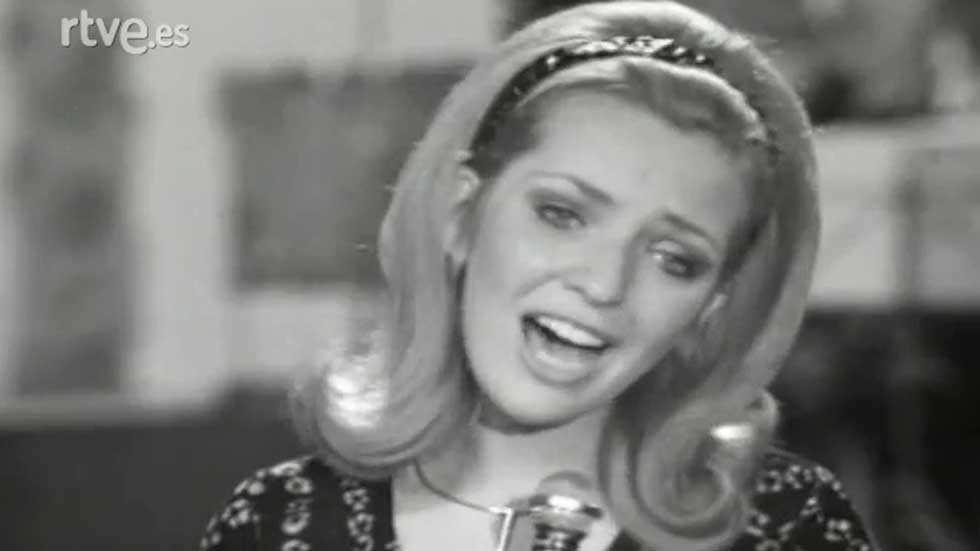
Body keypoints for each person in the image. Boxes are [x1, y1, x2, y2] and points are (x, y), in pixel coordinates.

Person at [201, 2, 878, 550]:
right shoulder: (281, 522)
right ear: (461, 214)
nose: (604, 285)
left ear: (710, 305)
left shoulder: (787, 527)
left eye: (674, 259)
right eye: (562, 214)